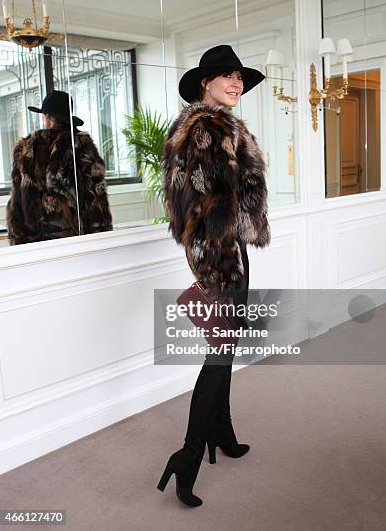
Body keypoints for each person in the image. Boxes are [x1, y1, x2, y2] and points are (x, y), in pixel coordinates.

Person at [158, 44, 271, 507]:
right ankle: (185, 458)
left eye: (240, 77)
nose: (237, 82)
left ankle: (220, 431)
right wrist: (219, 264)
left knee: (226, 349)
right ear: (204, 83)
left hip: (230, 249)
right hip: (220, 254)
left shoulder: (221, 124)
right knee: (220, 355)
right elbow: (204, 207)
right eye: (227, 76)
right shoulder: (207, 126)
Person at [6, 90, 113, 245]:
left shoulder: (26, 149)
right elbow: (97, 197)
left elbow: (17, 202)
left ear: (48, 117)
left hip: (34, 239)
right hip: (75, 237)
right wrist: (102, 235)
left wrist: (17, 240)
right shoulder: (82, 146)